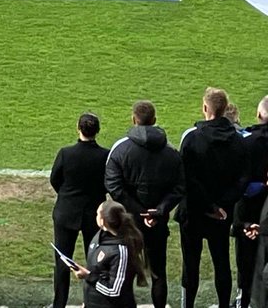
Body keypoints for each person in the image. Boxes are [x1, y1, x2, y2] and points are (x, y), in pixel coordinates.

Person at [105, 100, 185, 308]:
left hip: (128, 222)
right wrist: (158, 211)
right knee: (158, 273)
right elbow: (179, 187)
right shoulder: (171, 152)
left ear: (134, 119)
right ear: (155, 120)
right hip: (157, 222)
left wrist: (139, 212)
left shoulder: (120, 149)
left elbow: (114, 187)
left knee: (126, 272)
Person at [177, 87, 249, 308]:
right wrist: (222, 205)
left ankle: (187, 305)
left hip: (194, 212)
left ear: (205, 108)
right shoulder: (238, 142)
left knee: (191, 264)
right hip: (222, 214)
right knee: (222, 262)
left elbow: (187, 180)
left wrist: (208, 206)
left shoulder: (192, 139)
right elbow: (243, 178)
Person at [50, 113, 110, 308]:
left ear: (78, 128)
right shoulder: (104, 155)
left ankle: (59, 304)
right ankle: (93, 302)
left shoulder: (66, 153)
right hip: (93, 214)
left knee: (62, 262)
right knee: (94, 263)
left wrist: (66, 196)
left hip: (66, 212)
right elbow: (108, 183)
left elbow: (55, 179)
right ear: (97, 131)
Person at [69, 201, 149, 308]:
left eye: (97, 213)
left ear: (102, 221)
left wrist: (88, 276)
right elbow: (96, 271)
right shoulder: (99, 236)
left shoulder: (121, 251)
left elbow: (114, 291)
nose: (95, 216)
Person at [233, 96, 268, 308]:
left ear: (258, 114)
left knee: (246, 260)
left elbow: (237, 178)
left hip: (249, 206)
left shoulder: (246, 141)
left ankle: (243, 301)